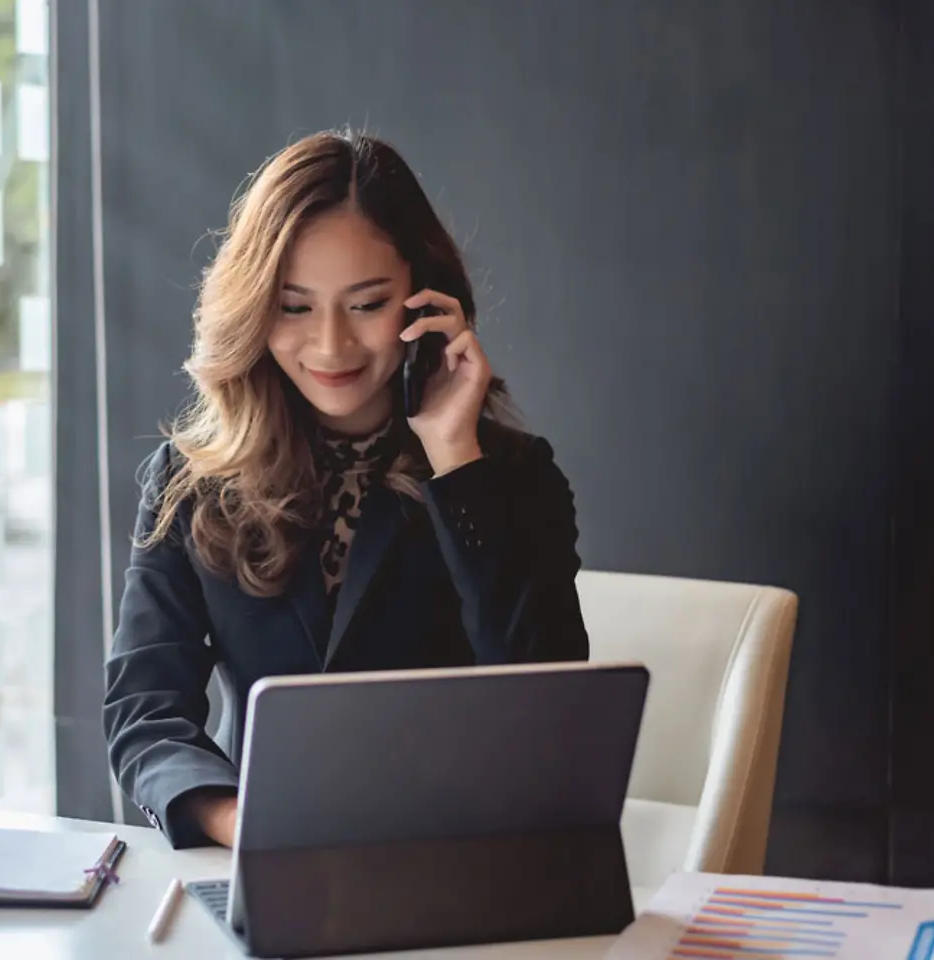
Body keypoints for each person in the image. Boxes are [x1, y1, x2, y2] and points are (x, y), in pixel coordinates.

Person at [102, 129, 589, 850]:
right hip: (260, 859)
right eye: (295, 307)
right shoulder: (191, 480)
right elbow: (144, 707)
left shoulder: (509, 479)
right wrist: (241, 821)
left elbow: (548, 708)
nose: (331, 347)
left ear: (424, 305)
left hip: (456, 864)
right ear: (255, 308)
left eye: (366, 304)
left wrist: (454, 455)